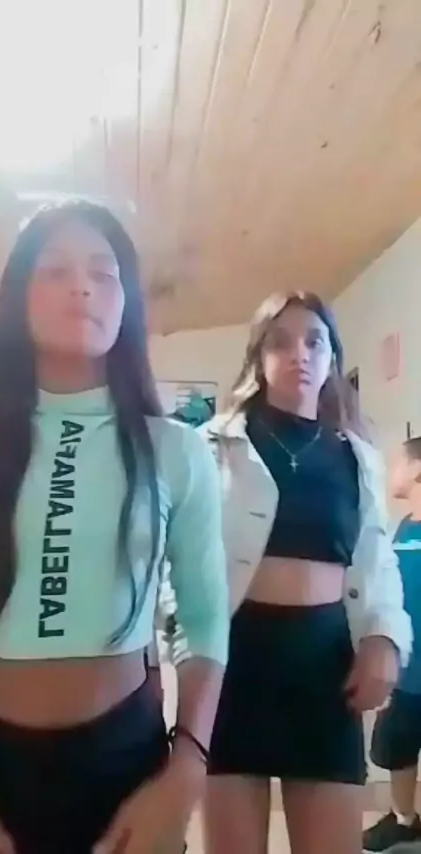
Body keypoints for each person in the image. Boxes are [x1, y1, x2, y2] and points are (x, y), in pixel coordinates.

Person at [0, 199, 230, 854]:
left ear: (127, 302)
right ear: (18, 295)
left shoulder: (175, 451)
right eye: (56, 270)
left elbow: (204, 617)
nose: (82, 286)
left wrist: (188, 768)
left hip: (126, 762)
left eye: (104, 273)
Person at [194, 292, 412, 854]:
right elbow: (179, 558)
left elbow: (376, 559)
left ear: (332, 357)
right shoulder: (212, 447)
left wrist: (385, 637)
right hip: (234, 668)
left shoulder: (356, 457)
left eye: (315, 342)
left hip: (325, 670)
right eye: (280, 342)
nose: (300, 354)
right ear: (257, 357)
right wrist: (185, 647)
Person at [363, 436, 421, 852]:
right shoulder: (403, 526)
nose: (392, 470)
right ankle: (405, 821)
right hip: (406, 672)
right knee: (396, 749)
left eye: (400, 461)